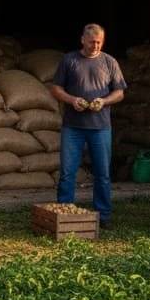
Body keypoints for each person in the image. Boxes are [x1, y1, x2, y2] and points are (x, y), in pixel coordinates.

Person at [50, 23, 126, 228]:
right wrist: (72, 100)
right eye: (92, 41)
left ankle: (104, 216)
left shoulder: (109, 62)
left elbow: (119, 92)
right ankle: (64, 214)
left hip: (101, 127)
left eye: (99, 42)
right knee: (67, 172)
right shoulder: (70, 60)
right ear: (82, 39)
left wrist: (104, 101)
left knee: (102, 173)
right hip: (72, 127)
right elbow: (56, 88)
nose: (95, 46)